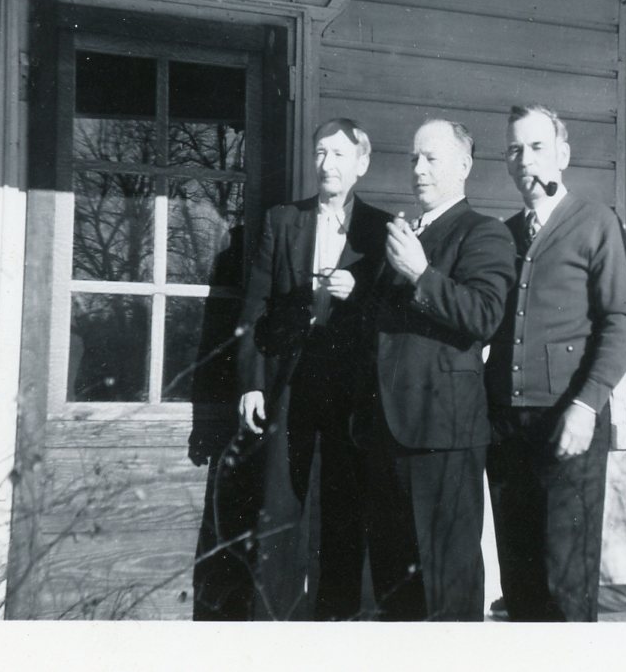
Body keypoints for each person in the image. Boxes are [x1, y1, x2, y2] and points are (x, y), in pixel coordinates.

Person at [200, 117, 390, 620]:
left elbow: (391, 317)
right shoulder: (283, 221)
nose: (327, 164)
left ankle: (337, 623)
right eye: (320, 153)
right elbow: (255, 306)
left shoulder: (381, 229)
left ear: (362, 164)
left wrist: (359, 295)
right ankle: (274, 625)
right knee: (280, 509)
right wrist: (251, 384)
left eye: (339, 154)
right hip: (288, 387)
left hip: (350, 394)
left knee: (344, 510)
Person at [485, 104, 626, 621]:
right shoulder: (504, 234)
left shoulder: (596, 223)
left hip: (568, 423)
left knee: (565, 584)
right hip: (507, 430)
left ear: (563, 155)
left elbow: (623, 323)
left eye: (536, 147)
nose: (525, 160)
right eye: (514, 150)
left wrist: (586, 406)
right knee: (520, 581)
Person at [357, 119, 516, 621]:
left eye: (431, 159)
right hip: (387, 435)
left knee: (446, 585)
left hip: (443, 435)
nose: (418, 170)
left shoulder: (483, 232)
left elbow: (485, 315)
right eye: (413, 159)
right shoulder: (405, 235)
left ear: (463, 166)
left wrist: (421, 274)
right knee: (395, 587)